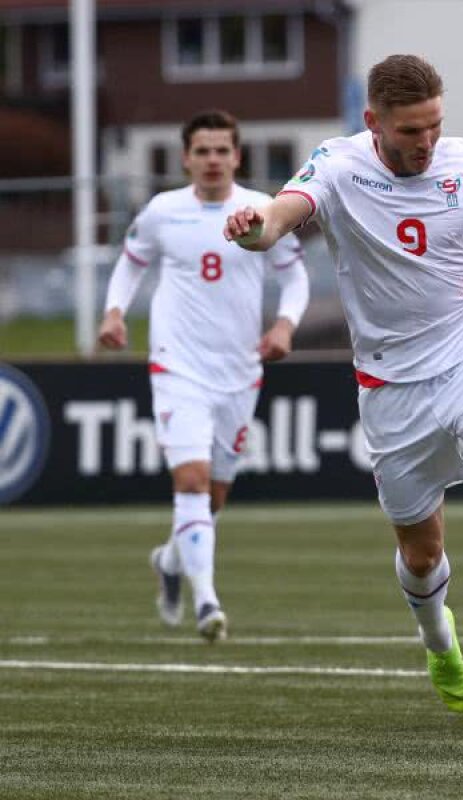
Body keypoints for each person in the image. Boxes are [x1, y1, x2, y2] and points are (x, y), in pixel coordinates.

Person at [224, 55, 463, 712]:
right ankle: (438, 641)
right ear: (374, 122)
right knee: (422, 554)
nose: (425, 143)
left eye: (433, 127)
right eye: (409, 132)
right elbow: (281, 215)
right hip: (393, 391)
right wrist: (253, 227)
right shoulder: (339, 166)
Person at [99, 109, 310, 642]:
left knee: (212, 498)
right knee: (190, 482)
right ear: (186, 158)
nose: (213, 159)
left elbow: (295, 279)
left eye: (222, 150)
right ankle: (208, 603)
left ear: (236, 156)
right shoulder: (162, 212)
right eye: (203, 151)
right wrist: (114, 311)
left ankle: (170, 563)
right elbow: (130, 262)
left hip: (239, 369)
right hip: (178, 365)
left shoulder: (263, 210)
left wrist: (284, 327)